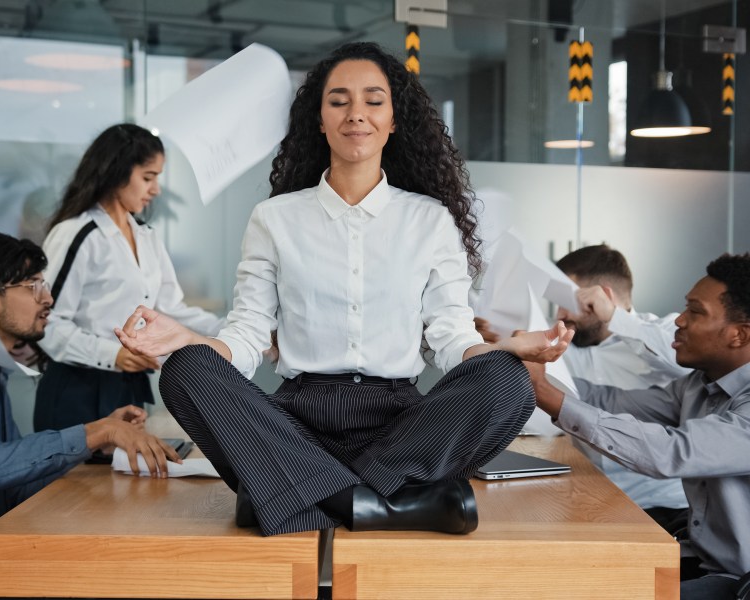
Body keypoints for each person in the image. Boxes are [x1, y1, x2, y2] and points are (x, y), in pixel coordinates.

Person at [115, 41, 573, 538]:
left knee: (506, 379)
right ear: (319, 119)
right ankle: (380, 505)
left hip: (399, 428)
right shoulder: (274, 219)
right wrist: (183, 340)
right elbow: (245, 339)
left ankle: (295, 497)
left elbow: (452, 339)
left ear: (395, 120)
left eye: (373, 101)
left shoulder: (429, 221)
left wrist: (506, 348)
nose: (357, 114)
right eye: (339, 101)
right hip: (296, 427)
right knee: (186, 370)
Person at [525, 252, 750, 600]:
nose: (679, 321)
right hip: (702, 556)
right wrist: (531, 370)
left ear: (739, 334)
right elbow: (608, 401)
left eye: (695, 311)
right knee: (573, 577)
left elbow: (672, 452)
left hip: (739, 579)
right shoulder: (697, 385)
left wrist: (547, 393)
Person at [0, 231, 180, 562]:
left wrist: (93, 443)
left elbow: (9, 487)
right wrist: (93, 432)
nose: (48, 299)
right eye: (33, 287)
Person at [34, 123, 225, 432]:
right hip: (79, 391)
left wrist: (232, 330)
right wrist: (114, 354)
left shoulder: (146, 236)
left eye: (157, 178)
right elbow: (46, 323)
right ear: (116, 172)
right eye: (148, 177)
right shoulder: (78, 234)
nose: (156, 189)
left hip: (129, 387)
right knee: (84, 482)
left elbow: (169, 310)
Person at [555, 244, 690, 533]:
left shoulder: (667, 332)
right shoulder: (570, 344)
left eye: (565, 301)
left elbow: (689, 366)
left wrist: (616, 318)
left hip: (663, 507)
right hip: (593, 497)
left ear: (602, 296)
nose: (560, 313)